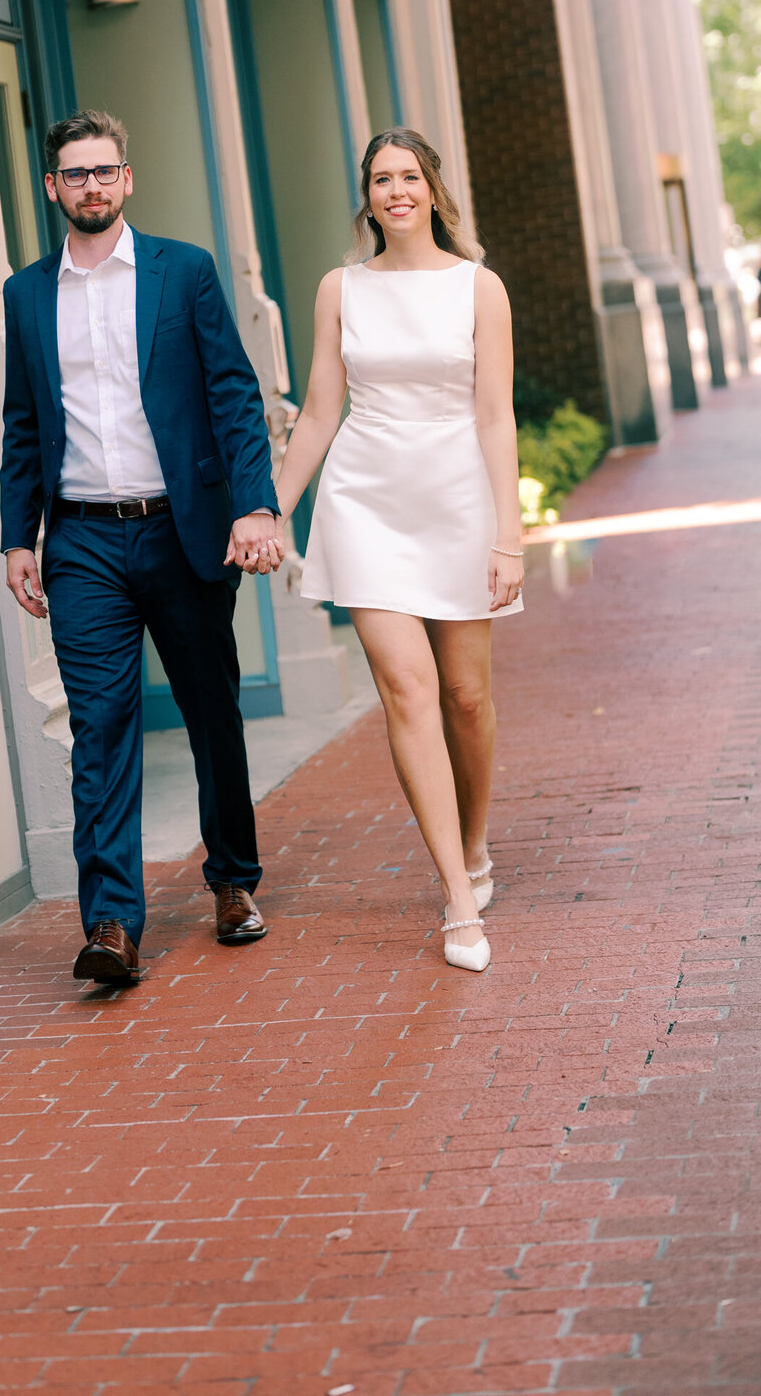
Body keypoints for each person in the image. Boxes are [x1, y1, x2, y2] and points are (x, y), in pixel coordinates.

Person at [0, 110, 284, 986]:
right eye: (74, 173)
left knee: (209, 712)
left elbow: (233, 395)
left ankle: (234, 880)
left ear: (128, 179)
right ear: (52, 188)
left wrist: (255, 507)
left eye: (105, 171)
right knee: (102, 726)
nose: (91, 185)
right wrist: (18, 536)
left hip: (183, 528)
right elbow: (22, 422)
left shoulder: (184, 272)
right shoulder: (25, 294)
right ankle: (113, 924)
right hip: (81, 538)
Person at [272, 128, 524, 974]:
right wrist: (271, 511)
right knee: (408, 690)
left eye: (408, 176)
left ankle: (476, 838)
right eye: (381, 179)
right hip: (366, 501)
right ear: (367, 196)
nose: (395, 191)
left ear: (432, 188)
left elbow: (495, 417)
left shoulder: (479, 289)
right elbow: (317, 412)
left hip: (458, 499)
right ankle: (457, 896)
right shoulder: (340, 288)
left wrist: (510, 535)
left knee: (464, 695)